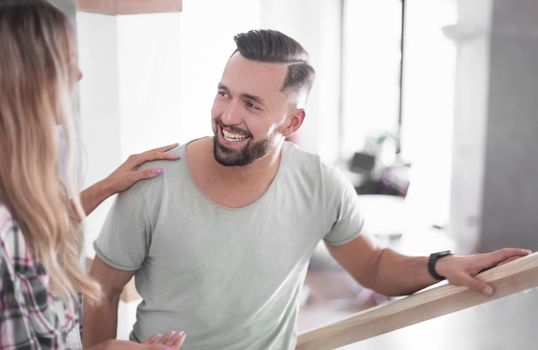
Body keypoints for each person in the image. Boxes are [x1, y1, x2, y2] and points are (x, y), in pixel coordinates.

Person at [84, 29, 531, 350]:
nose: (227, 116)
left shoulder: (320, 183)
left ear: (294, 122)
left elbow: (373, 266)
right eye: (224, 94)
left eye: (252, 104)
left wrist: (443, 264)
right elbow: (102, 291)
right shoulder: (152, 181)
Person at [0, 0, 186, 348]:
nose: (80, 75)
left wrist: (107, 185)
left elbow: (40, 225)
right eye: (68, 62)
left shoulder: (23, 182)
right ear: (31, 76)